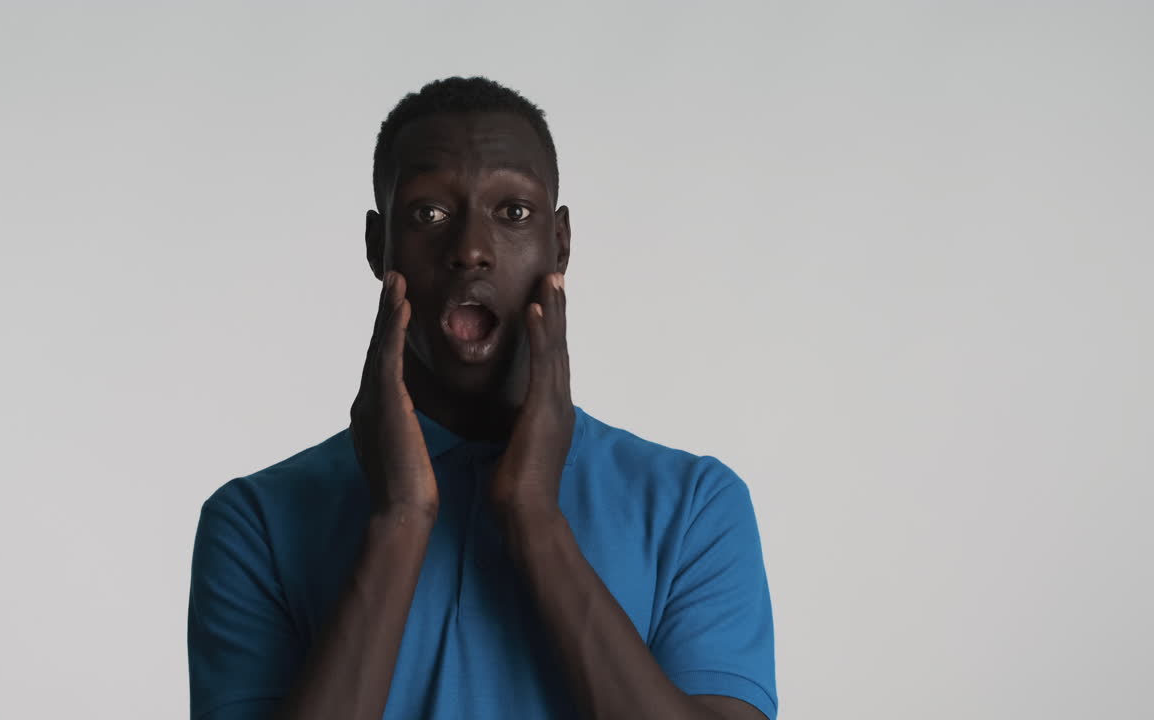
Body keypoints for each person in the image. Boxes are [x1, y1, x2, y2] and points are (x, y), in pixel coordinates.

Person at [187, 76, 777, 720]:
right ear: (375, 245)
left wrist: (535, 520)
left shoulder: (692, 505)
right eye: (428, 214)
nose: (469, 250)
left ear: (561, 242)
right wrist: (401, 520)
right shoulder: (257, 521)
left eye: (513, 213)